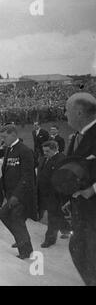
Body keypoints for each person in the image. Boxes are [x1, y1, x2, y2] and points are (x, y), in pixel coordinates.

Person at [64, 92, 96, 286]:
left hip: (93, 210)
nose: (65, 114)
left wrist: (92, 189)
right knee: (79, 248)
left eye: (67, 110)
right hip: (83, 210)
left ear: (79, 112)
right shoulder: (81, 136)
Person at [0, 124, 38, 259]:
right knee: (4, 215)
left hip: (21, 195)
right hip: (11, 193)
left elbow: (27, 176)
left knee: (16, 219)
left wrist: (17, 195)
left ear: (13, 135)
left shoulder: (24, 150)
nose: (3, 140)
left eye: (5, 137)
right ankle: (21, 239)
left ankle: (25, 251)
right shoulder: (9, 149)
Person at [37, 141, 70, 248]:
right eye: (44, 151)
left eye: (47, 151)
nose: (45, 153)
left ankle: (50, 239)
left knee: (52, 216)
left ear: (55, 149)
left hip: (55, 194)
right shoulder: (45, 158)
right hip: (45, 192)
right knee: (57, 215)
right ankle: (67, 230)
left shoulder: (61, 159)